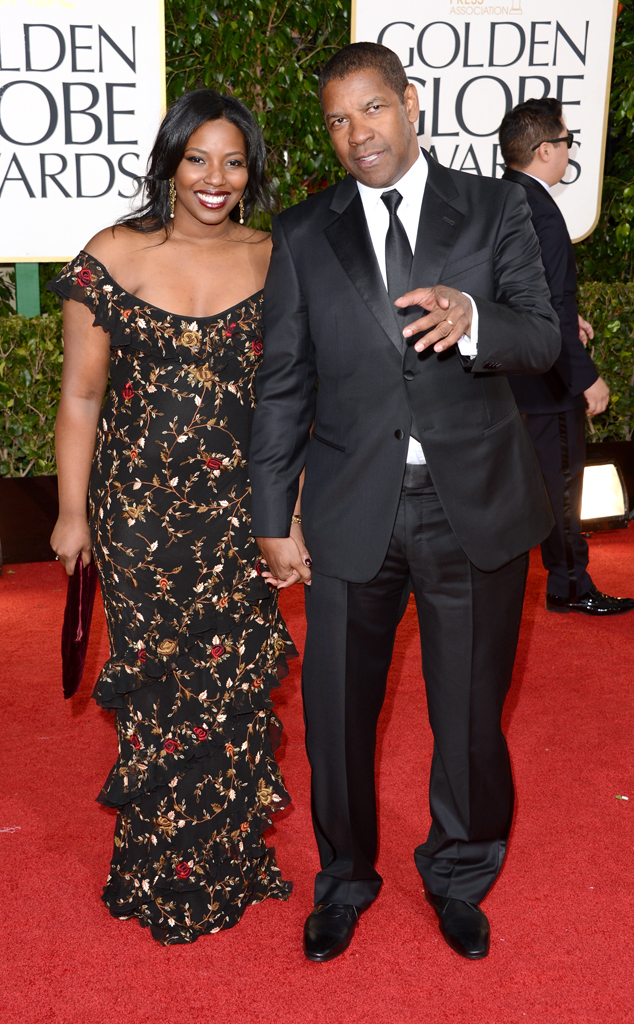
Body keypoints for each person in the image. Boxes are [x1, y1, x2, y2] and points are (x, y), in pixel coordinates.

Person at [249, 42, 561, 963]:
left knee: (470, 709)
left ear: (411, 104)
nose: (358, 135)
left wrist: (474, 318)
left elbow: (541, 336)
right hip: (353, 507)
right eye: (340, 121)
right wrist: (272, 513)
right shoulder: (305, 233)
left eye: (372, 110)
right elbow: (282, 383)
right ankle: (344, 877)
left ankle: (461, 871)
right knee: (337, 714)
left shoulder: (497, 206)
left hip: (476, 501)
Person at [49, 89, 302, 945]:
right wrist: (70, 514)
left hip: (239, 519)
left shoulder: (277, 257)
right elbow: (82, 396)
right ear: (169, 161)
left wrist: (291, 508)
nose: (215, 179)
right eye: (198, 158)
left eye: (233, 161)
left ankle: (228, 859)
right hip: (137, 523)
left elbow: (292, 400)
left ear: (251, 170)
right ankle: (159, 870)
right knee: (160, 695)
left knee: (230, 694)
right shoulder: (109, 256)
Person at [499, 98, 634, 615]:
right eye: (567, 141)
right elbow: (552, 302)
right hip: (546, 382)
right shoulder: (542, 212)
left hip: (506, 377)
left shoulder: (499, 200)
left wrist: (561, 322)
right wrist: (585, 376)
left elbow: (509, 295)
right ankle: (571, 586)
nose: (570, 150)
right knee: (560, 487)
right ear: (544, 149)